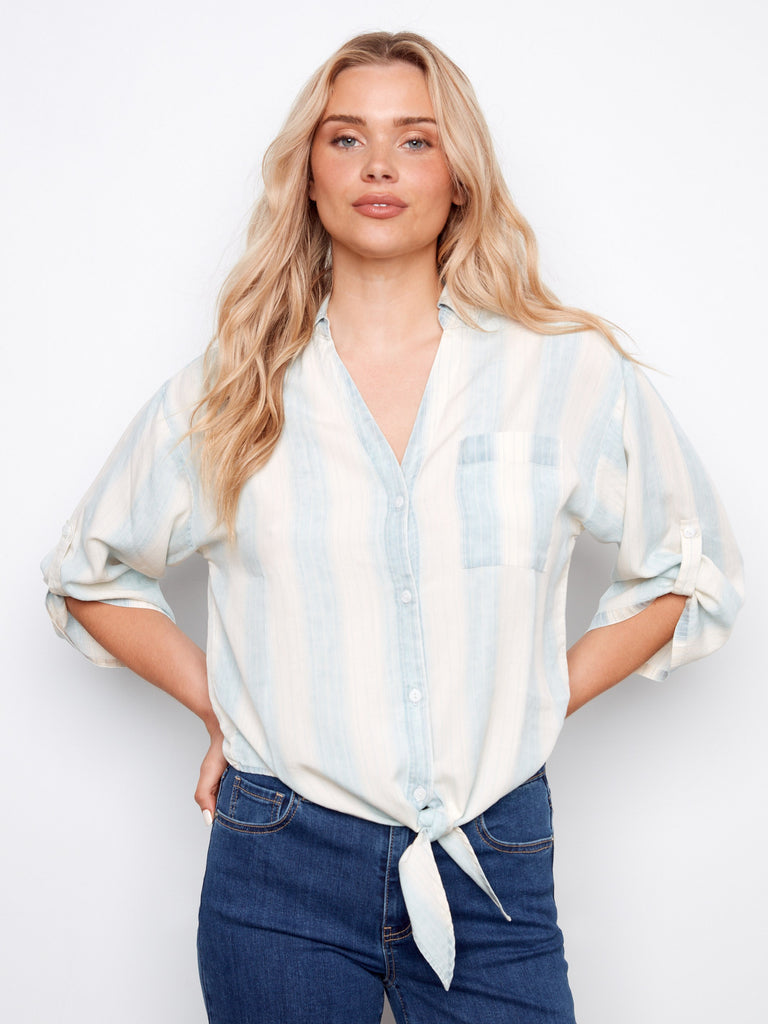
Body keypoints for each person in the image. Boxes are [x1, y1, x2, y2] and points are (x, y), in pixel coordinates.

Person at [41, 30, 743, 1024]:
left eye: (416, 139)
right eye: (346, 139)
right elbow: (88, 570)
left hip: (493, 851)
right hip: (277, 859)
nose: (379, 165)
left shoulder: (564, 374)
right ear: (309, 177)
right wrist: (220, 707)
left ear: (459, 179)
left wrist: (539, 698)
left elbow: (689, 568)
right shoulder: (234, 388)